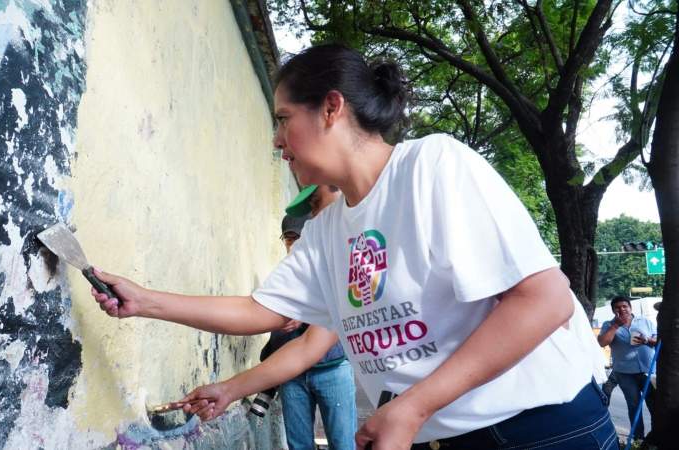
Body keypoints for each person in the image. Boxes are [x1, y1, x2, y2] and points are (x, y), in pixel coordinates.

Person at [91, 44, 615, 450]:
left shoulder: (433, 167)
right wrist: (145, 301)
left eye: (281, 119)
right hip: (442, 437)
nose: (276, 140)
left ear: (331, 108)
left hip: (541, 427)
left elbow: (543, 300)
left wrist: (411, 407)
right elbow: (262, 309)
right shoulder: (325, 231)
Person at [253, 209, 357, 450]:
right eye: (288, 239)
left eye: (298, 239)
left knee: (344, 444)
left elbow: (344, 315)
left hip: (333, 370)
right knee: (298, 445)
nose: (293, 245)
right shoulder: (284, 278)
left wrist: (304, 316)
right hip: (293, 377)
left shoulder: (335, 269)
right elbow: (271, 329)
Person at [597, 296, 658, 440]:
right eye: (617, 307)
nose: (622, 309)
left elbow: (658, 339)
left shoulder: (644, 321)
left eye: (624, 306)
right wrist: (615, 326)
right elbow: (602, 342)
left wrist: (647, 341)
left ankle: (657, 436)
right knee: (634, 406)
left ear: (630, 307)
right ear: (613, 310)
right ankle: (638, 438)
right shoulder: (609, 324)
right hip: (625, 373)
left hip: (648, 371)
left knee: (655, 404)